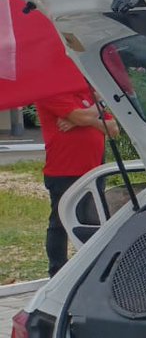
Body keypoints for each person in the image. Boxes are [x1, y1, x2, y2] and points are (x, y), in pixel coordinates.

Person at [35, 90, 120, 277]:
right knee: (60, 222)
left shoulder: (87, 96)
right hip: (64, 170)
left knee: (93, 221)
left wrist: (84, 118)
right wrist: (94, 110)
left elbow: (113, 129)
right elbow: (81, 116)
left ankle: (92, 270)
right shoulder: (52, 93)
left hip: (94, 171)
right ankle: (57, 272)